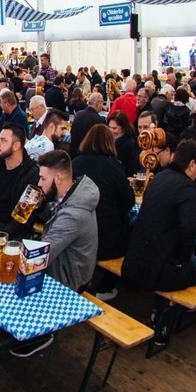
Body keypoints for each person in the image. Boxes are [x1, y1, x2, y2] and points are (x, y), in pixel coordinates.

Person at [0, 149, 99, 358]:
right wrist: (41, 206)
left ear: (59, 177)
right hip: (55, 263)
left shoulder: (73, 215)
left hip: (65, 278)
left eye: (43, 178)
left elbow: (39, 258)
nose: (40, 183)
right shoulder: (71, 195)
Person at [122, 140, 196, 346]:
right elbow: (188, 230)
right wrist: (183, 258)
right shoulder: (188, 189)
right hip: (157, 267)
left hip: (136, 257)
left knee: (182, 262)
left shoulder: (159, 178)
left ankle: (159, 308)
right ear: (191, 165)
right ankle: (165, 320)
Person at [73, 124, 134, 299]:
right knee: (131, 232)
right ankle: (105, 287)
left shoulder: (76, 162)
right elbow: (128, 202)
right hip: (105, 239)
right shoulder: (114, 167)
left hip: (77, 232)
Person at [69, 93, 106, 157]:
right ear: (99, 104)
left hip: (74, 153)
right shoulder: (100, 120)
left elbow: (72, 132)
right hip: (90, 155)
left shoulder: (78, 115)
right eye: (102, 103)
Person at [108, 110, 140, 176]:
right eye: (109, 127)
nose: (111, 131)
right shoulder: (109, 140)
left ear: (123, 127)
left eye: (114, 128)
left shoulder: (128, 143)